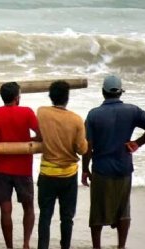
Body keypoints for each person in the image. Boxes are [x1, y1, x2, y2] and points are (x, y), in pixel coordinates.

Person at [81, 75, 145, 249]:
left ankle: (96, 247)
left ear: (103, 92)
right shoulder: (132, 111)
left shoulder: (94, 115)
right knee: (123, 210)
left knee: (97, 212)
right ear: (120, 93)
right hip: (124, 167)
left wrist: (85, 169)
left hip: (101, 169)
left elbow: (88, 146)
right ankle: (121, 246)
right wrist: (137, 143)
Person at [0, 82, 42, 249]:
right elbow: (41, 134)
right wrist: (29, 141)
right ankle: (26, 244)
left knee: (5, 210)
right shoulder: (27, 112)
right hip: (23, 167)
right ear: (17, 97)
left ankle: (9, 247)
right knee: (28, 206)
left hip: (1, 167)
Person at [35, 80, 88, 249]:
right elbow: (82, 149)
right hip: (68, 175)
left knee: (45, 216)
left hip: (47, 173)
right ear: (67, 98)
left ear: (50, 96)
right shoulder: (76, 120)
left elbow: (39, 134)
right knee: (67, 218)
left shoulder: (41, 113)